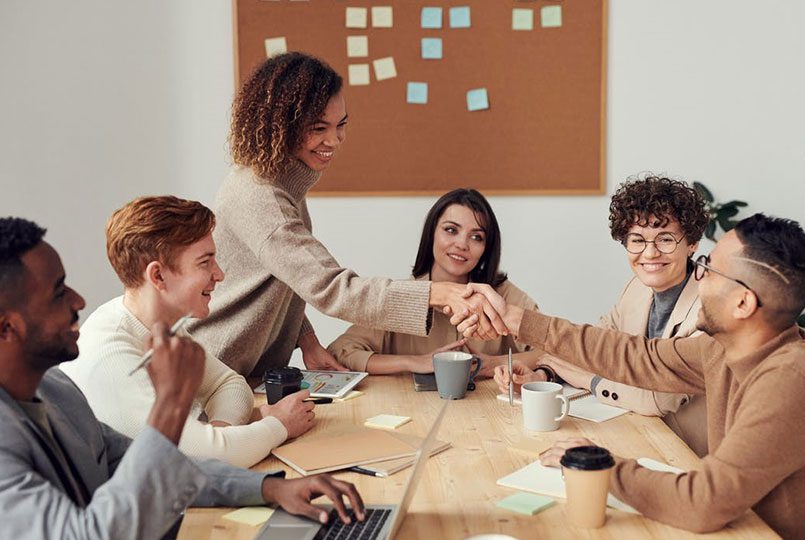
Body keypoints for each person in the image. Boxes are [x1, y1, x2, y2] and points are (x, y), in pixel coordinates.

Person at [482, 214, 805, 538]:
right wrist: (519, 321)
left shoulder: (792, 380)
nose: (698, 274)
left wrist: (600, 465)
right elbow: (636, 357)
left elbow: (703, 502)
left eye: (708, 267)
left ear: (743, 303)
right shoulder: (723, 348)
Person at [0, 217, 364, 539]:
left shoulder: (57, 391)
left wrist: (269, 489)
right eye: (58, 291)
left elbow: (160, 467)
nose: (79, 300)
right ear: (6, 327)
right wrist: (172, 404)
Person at [188, 52, 507, 378]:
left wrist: (307, 341)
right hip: (213, 372)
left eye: (341, 125)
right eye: (318, 128)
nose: (334, 140)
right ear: (281, 126)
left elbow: (288, 278)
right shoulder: (261, 197)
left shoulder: (281, 184)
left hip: (245, 373)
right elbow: (331, 287)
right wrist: (437, 293)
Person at [61, 196, 314, 468]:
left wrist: (220, 434)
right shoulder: (110, 356)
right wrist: (278, 426)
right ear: (157, 276)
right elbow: (207, 459)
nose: (219, 274)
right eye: (205, 263)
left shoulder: (158, 324)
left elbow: (229, 384)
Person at [495, 176, 710, 455]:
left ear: (692, 243)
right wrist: (544, 373)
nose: (650, 252)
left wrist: (590, 381)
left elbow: (657, 400)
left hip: (688, 454)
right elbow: (592, 348)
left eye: (665, 239)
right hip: (637, 435)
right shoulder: (635, 289)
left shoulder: (709, 306)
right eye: (637, 240)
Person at [327, 189, 541, 376]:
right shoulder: (402, 296)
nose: (462, 244)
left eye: (476, 237)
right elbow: (341, 351)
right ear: (431, 234)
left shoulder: (503, 295)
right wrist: (415, 362)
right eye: (451, 230)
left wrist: (496, 363)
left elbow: (557, 351)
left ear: (487, 248)